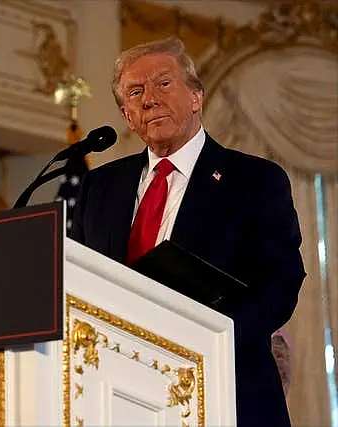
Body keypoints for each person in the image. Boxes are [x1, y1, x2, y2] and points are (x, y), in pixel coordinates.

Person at [70, 37, 305, 427]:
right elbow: (82, 284)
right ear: (128, 116)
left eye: (163, 83)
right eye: (135, 92)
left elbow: (280, 282)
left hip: (225, 390)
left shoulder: (253, 180)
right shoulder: (100, 187)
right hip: (119, 395)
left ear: (196, 97)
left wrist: (207, 343)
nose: (150, 99)